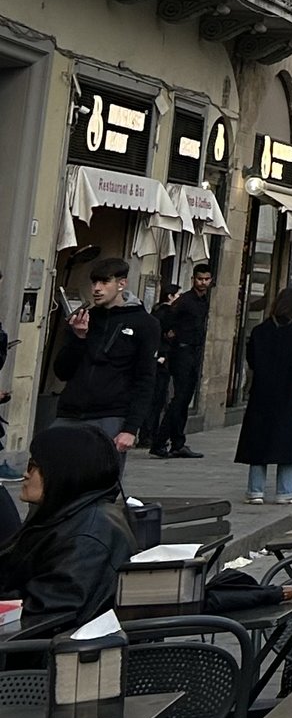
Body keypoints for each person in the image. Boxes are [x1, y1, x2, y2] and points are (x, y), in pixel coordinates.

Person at [0, 425, 132, 634]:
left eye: (33, 466)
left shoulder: (87, 537)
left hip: (36, 654)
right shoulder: (66, 513)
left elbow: (45, 617)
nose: (25, 474)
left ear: (61, 471)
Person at [51, 258, 158, 459]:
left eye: (104, 282)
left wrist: (131, 428)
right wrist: (79, 338)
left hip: (111, 417)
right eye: (94, 283)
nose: (97, 289)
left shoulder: (145, 324)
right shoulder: (84, 318)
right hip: (70, 414)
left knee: (99, 484)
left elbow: (145, 379)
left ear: (121, 284)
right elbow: (62, 371)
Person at [235, 286, 292, 504]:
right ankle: (285, 491)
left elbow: (252, 361)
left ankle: (255, 490)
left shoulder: (260, 331)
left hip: (262, 393)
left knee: (259, 440)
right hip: (291, 392)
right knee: (288, 443)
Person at [150, 263, 214, 458]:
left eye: (206, 279)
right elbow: (164, 319)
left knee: (184, 399)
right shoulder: (184, 301)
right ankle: (160, 442)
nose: (203, 283)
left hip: (194, 352)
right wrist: (171, 338)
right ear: (193, 279)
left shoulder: (203, 301)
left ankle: (178, 443)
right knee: (179, 399)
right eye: (200, 279)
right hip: (182, 352)